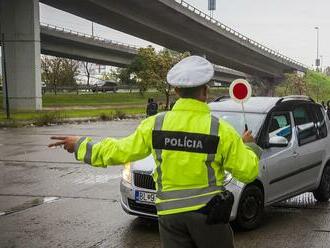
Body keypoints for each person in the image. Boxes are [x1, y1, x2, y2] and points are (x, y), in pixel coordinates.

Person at [49, 55, 260, 248]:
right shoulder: (220, 130)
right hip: (208, 214)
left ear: (176, 91)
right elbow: (248, 172)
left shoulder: (156, 124)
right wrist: (248, 146)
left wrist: (80, 145)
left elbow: (119, 150)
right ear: (205, 92)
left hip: (169, 217)